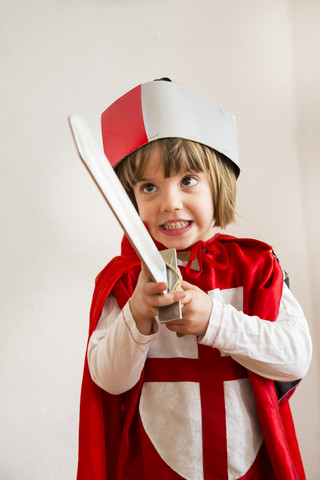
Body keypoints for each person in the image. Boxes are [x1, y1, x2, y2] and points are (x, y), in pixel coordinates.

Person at [76, 79, 312, 480]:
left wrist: (214, 322)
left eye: (187, 180)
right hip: (154, 465)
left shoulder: (256, 267)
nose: (169, 202)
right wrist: (137, 313)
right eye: (149, 187)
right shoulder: (125, 281)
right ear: (131, 201)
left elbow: (295, 357)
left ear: (217, 182)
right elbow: (109, 381)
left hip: (249, 464)